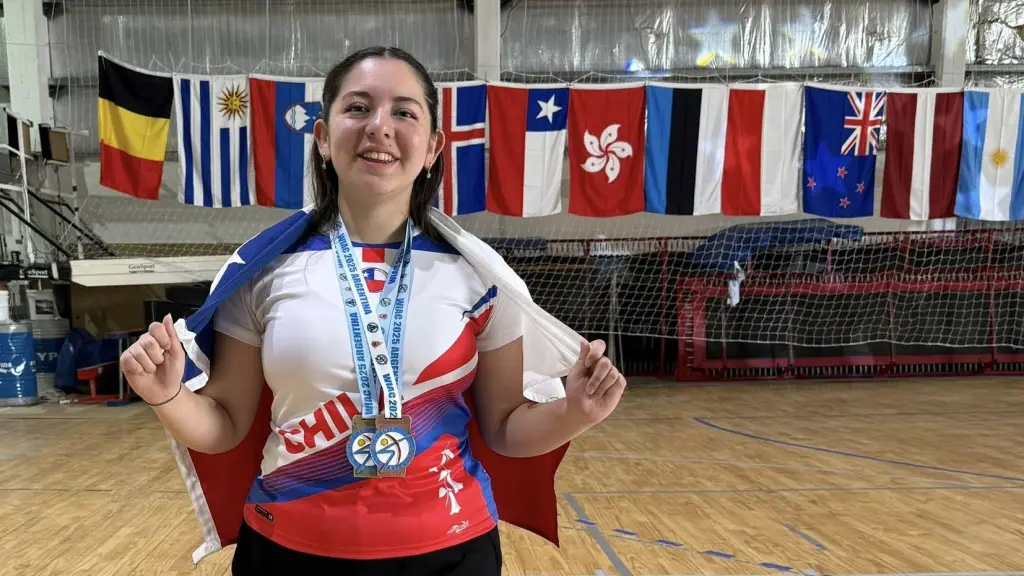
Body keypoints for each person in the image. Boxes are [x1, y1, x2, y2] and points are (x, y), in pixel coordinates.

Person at [120, 46, 627, 576]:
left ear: (433, 147)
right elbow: (223, 424)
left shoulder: (481, 276)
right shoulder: (262, 269)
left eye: (404, 112)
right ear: (322, 136)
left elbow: (504, 429)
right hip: (287, 549)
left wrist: (575, 413)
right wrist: (168, 395)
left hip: (452, 553)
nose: (379, 127)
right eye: (358, 108)